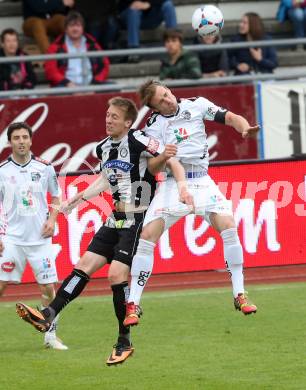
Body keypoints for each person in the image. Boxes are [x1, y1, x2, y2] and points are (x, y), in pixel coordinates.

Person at [16, 97, 193, 365]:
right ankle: (49, 314)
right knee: (83, 265)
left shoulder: (139, 139)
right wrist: (75, 200)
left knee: (115, 275)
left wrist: (181, 186)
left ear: (128, 122)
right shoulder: (103, 147)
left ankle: (124, 341)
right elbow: (104, 180)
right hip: (116, 217)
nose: (108, 120)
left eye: (114, 116)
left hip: (137, 217)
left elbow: (171, 160)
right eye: (107, 115)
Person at [123, 80, 259, 327]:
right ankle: (133, 303)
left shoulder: (197, 105)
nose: (167, 100)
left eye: (166, 94)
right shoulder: (153, 127)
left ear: (168, 89)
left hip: (203, 181)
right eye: (160, 101)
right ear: (154, 108)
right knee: (147, 235)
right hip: (174, 183)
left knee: (228, 226)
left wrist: (244, 128)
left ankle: (239, 294)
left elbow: (229, 117)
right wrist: (163, 156)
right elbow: (152, 167)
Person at [0, 122, 67, 350]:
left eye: (24, 137)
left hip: (40, 240)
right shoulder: (2, 171)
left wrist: (52, 219)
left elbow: (56, 197)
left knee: (48, 288)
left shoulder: (44, 168)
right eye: (16, 138)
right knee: (0, 284)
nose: (20, 141)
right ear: (10, 142)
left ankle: (50, 336)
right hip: (11, 239)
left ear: (31, 140)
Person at [44, 10, 110, 87]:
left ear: (82, 28)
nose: (75, 29)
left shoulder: (92, 44)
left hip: (91, 85)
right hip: (66, 86)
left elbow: (105, 66)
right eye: (71, 26)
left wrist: (95, 83)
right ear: (65, 29)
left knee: (114, 88)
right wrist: (67, 83)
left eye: (78, 25)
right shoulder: (56, 46)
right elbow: (50, 71)